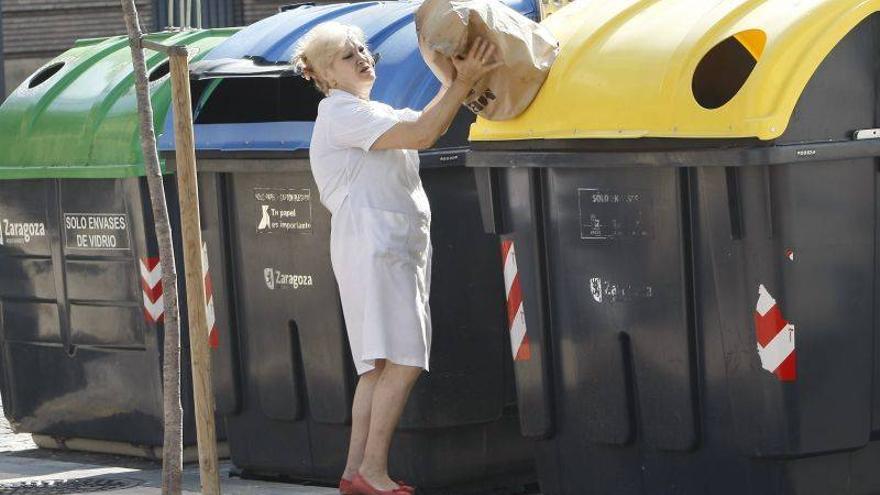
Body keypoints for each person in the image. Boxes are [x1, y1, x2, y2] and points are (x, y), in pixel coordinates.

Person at [292, 21, 501, 495]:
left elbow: (433, 115)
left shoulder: (369, 110)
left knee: (378, 366)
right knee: (404, 359)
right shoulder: (342, 114)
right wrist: (462, 82)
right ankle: (372, 472)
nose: (363, 57)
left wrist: (457, 77)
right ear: (325, 73)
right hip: (375, 249)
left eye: (363, 49)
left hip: (382, 248)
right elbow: (425, 132)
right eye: (348, 55)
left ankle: (354, 473)